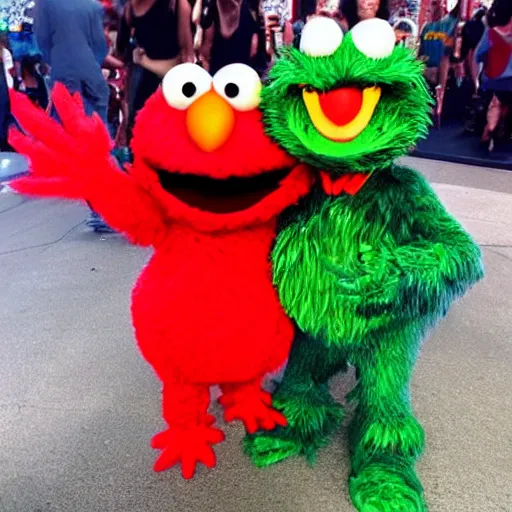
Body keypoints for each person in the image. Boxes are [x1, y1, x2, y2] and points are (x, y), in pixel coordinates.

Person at [33, 0, 113, 232]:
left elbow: (43, 42)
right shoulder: (91, 5)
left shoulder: (46, 4)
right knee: (100, 136)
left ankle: (105, 211)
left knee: (80, 146)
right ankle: (114, 205)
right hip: (92, 73)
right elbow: (99, 45)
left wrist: (58, 60)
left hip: (66, 74)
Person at [116, 0, 184, 144]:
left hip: (169, 88)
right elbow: (122, 53)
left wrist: (145, 62)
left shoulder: (177, 6)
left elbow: (183, 59)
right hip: (143, 89)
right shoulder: (130, 9)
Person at [475, 0, 512, 151]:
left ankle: (490, 129)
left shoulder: (492, 31)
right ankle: (501, 130)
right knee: (504, 105)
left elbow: (479, 55)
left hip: (493, 79)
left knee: (495, 103)